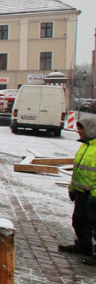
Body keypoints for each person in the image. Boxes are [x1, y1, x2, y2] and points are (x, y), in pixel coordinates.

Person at [58, 113, 96, 264]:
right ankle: (84, 246)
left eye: (81, 129)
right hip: (81, 192)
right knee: (79, 221)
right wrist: (72, 188)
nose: (78, 132)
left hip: (92, 194)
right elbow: (78, 169)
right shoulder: (85, 146)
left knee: (95, 224)